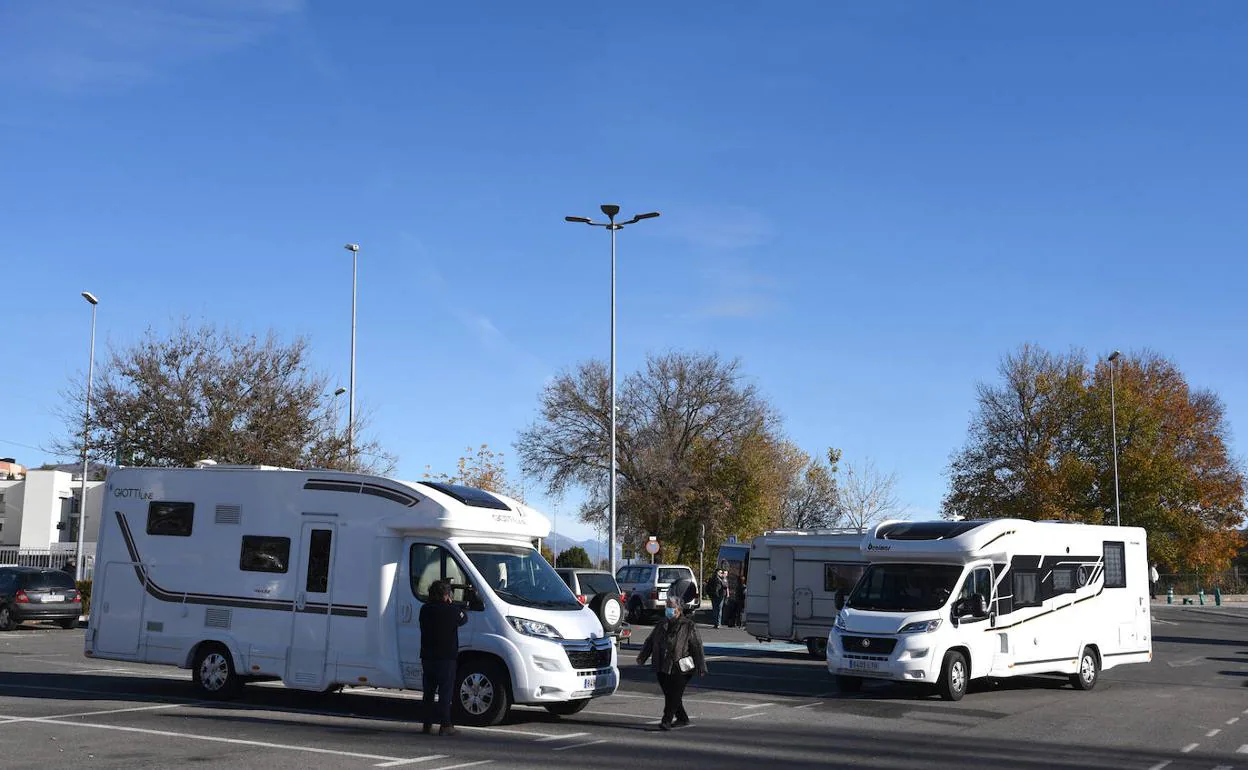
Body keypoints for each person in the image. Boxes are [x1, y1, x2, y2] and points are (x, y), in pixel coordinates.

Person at [637, 596, 708, 730]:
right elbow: (650, 641)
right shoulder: (661, 624)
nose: (669, 609)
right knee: (670, 694)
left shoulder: (688, 625)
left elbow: (697, 646)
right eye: (667, 606)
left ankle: (666, 720)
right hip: (662, 665)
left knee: (674, 694)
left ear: (679, 609)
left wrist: (701, 666)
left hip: (681, 666)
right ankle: (682, 718)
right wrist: (642, 657)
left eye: (671, 607)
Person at [420, 579, 468, 736]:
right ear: (447, 595)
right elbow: (464, 619)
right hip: (446, 657)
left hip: (427, 656)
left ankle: (427, 724)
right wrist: (453, 604)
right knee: (445, 693)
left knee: (428, 692)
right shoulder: (452, 610)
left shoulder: (425, 609)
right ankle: (445, 724)